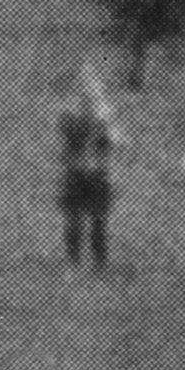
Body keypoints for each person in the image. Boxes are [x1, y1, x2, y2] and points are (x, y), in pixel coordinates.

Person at [60, 69, 120, 268]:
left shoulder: (104, 119)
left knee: (98, 221)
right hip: (76, 172)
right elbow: (70, 132)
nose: (89, 98)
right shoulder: (70, 117)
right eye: (84, 93)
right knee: (74, 221)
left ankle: (99, 264)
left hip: (98, 174)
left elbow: (118, 140)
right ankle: (73, 262)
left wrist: (107, 127)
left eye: (94, 94)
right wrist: (98, 123)